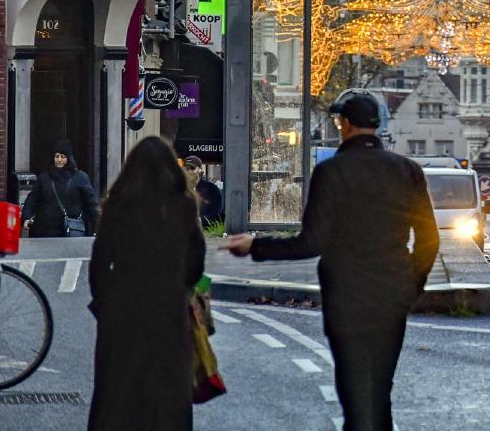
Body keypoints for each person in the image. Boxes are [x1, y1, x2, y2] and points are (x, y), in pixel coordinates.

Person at [225, 91, 438, 431]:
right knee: (380, 386)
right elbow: (429, 239)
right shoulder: (407, 171)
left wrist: (256, 245)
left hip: (345, 294)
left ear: (346, 124)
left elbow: (311, 243)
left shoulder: (331, 172)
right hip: (392, 293)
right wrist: (412, 284)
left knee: (353, 388)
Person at [89, 137, 205, 431]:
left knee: (116, 391)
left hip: (122, 310)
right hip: (168, 310)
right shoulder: (184, 206)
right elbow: (196, 262)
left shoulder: (118, 206)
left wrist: (104, 303)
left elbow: (99, 262)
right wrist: (179, 286)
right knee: (168, 393)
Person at [21, 140, 101, 238]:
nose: (59, 160)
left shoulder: (80, 177)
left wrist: (97, 226)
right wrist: (26, 217)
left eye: (63, 157)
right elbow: (32, 200)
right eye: (57, 156)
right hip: (46, 231)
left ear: (69, 158)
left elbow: (92, 204)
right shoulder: (44, 178)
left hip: (71, 231)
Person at [183, 155, 223, 225]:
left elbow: (217, 213)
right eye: (186, 169)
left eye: (192, 168)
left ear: (200, 169)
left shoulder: (212, 189)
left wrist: (201, 220)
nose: (189, 171)